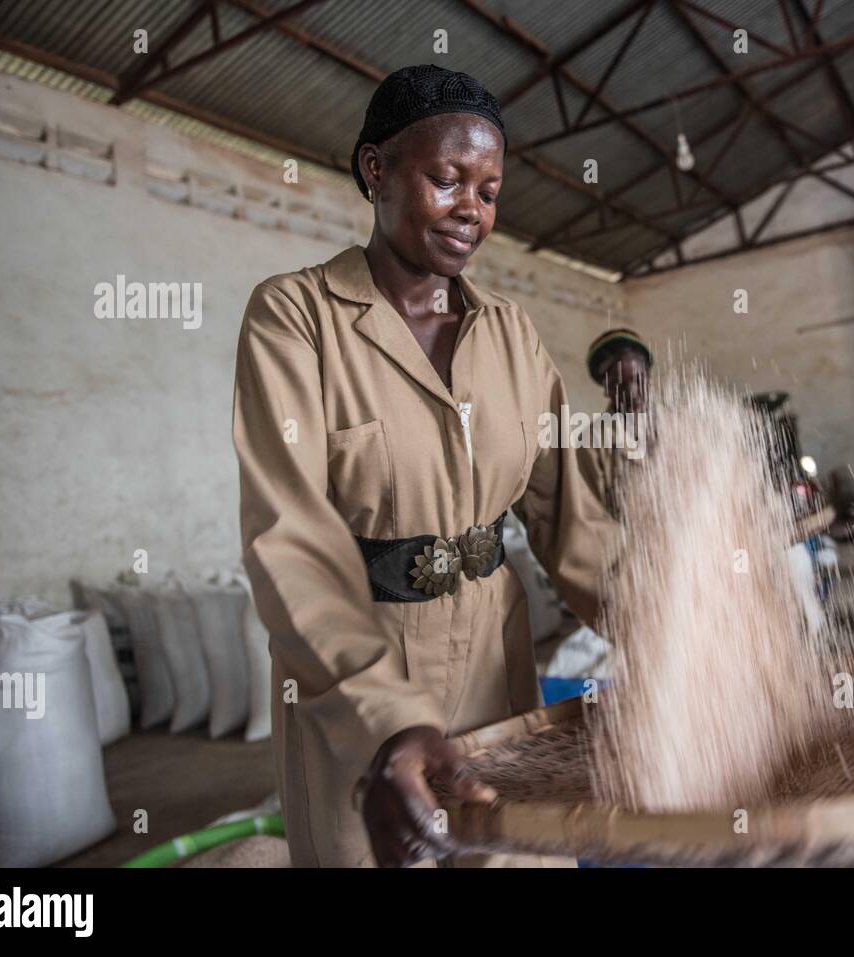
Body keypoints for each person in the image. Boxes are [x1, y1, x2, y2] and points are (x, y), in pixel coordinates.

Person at [232, 65, 615, 868]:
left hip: (497, 662)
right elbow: (289, 536)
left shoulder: (511, 334)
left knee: (514, 853)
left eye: (488, 190)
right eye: (446, 180)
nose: (470, 211)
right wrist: (385, 723)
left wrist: (667, 628)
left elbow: (570, 519)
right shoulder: (296, 317)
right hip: (356, 668)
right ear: (375, 170)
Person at [582, 327, 653, 518]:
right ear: (606, 389)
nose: (632, 392)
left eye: (638, 379)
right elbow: (592, 518)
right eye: (618, 384)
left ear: (649, 376)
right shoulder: (590, 443)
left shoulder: (679, 426)